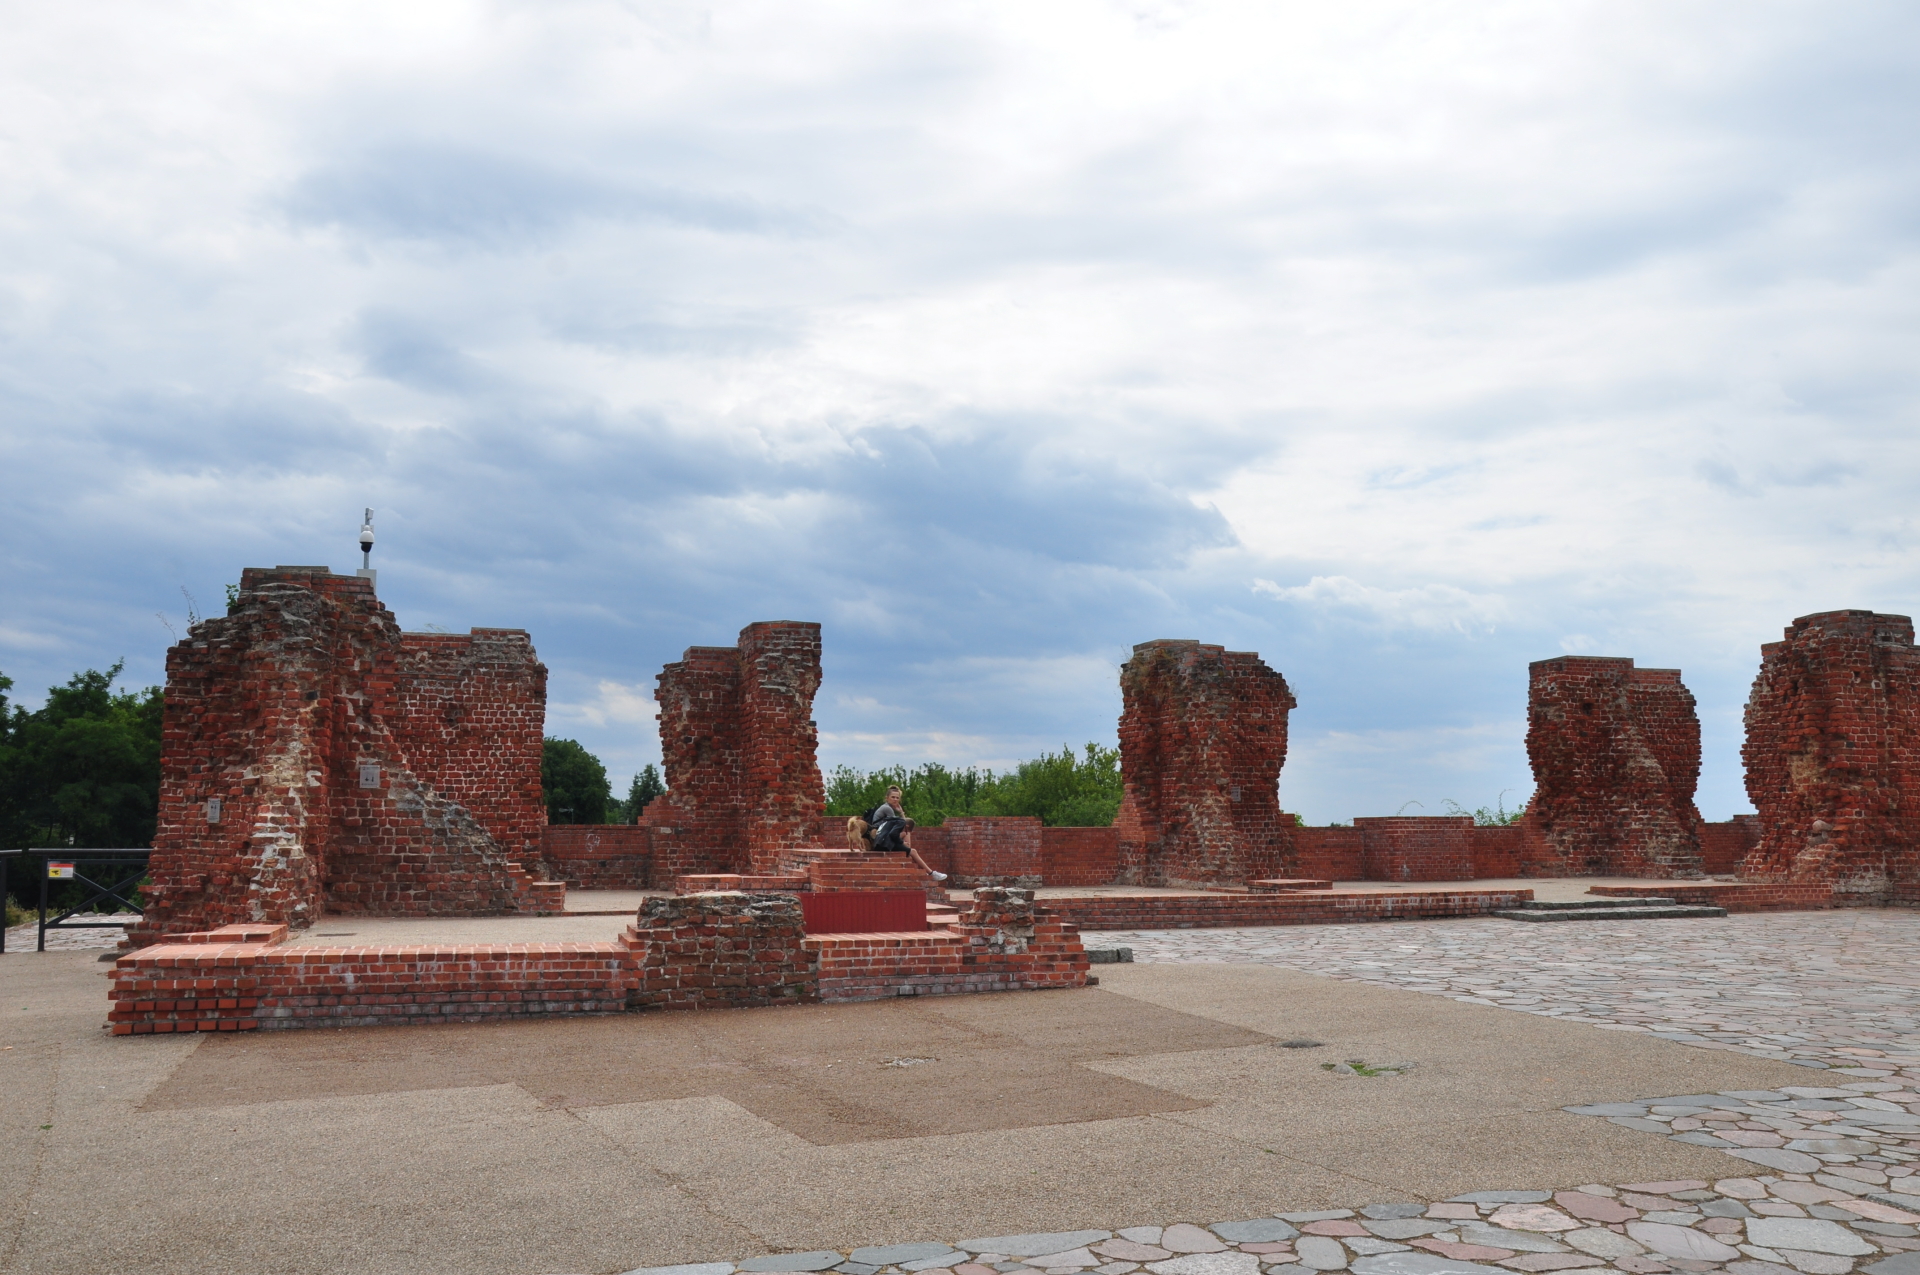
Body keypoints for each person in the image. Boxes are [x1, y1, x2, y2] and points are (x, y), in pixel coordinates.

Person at [867, 785, 948, 882]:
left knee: (907, 837)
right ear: (887, 798)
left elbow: (900, 824)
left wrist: (901, 813)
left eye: (897, 798)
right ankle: (931, 873)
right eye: (893, 797)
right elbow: (898, 826)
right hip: (883, 841)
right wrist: (901, 842)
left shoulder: (887, 808)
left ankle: (908, 852)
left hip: (881, 840)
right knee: (908, 840)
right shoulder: (887, 809)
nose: (895, 799)